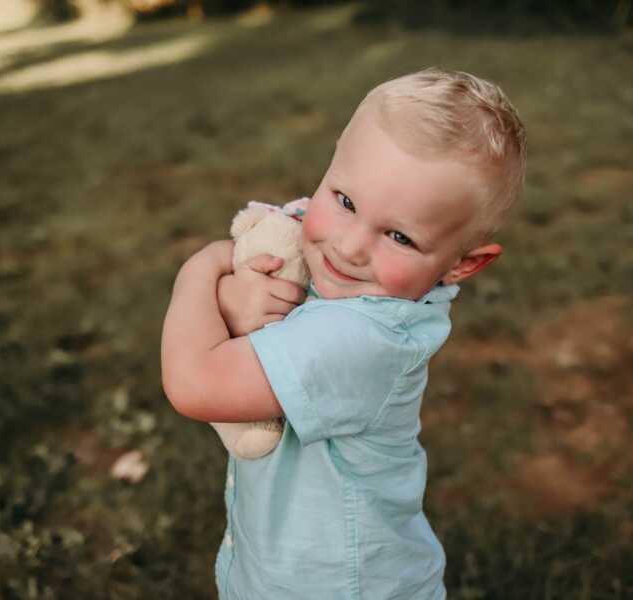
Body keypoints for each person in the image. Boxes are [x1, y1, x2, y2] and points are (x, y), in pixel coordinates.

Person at [160, 67, 526, 599]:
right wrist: (239, 290)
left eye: (399, 236)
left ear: (462, 265)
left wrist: (201, 270)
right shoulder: (344, 261)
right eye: (345, 200)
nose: (350, 246)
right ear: (333, 163)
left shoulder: (364, 337)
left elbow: (196, 383)